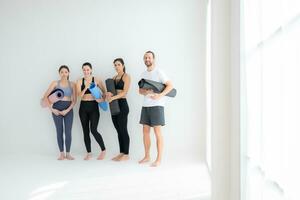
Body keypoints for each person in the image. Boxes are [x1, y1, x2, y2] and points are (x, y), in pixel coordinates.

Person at [138, 51, 173, 167]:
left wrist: (160, 95)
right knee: (145, 132)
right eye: (145, 58)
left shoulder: (159, 72)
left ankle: (159, 159)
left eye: (149, 57)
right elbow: (140, 91)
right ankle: (147, 156)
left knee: (157, 133)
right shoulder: (143, 74)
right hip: (146, 105)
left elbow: (170, 85)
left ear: (153, 59)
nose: (147, 59)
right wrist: (145, 92)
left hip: (157, 106)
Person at [42, 65, 76, 160]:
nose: (64, 74)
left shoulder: (72, 84)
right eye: (62, 72)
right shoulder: (55, 83)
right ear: (59, 73)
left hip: (68, 110)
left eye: (66, 72)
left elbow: (74, 100)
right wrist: (53, 110)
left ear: (69, 73)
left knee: (68, 132)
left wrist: (67, 110)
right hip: (56, 109)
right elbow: (45, 97)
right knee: (59, 131)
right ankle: (61, 154)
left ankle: (68, 154)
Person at [76, 62, 106, 160]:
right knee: (85, 131)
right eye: (84, 70)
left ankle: (103, 150)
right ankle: (89, 153)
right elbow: (79, 96)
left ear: (91, 70)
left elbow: (105, 93)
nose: (86, 71)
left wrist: (101, 99)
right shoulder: (79, 81)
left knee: (93, 130)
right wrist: (86, 87)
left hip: (94, 107)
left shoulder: (96, 80)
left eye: (88, 69)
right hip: (83, 107)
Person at [106, 58, 131, 161]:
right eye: (115, 65)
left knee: (123, 129)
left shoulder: (126, 76)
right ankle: (121, 152)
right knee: (118, 130)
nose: (117, 67)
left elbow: (124, 92)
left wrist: (113, 97)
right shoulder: (113, 78)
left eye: (118, 64)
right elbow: (112, 92)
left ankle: (127, 154)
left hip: (122, 105)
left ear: (123, 65)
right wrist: (108, 94)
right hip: (114, 105)